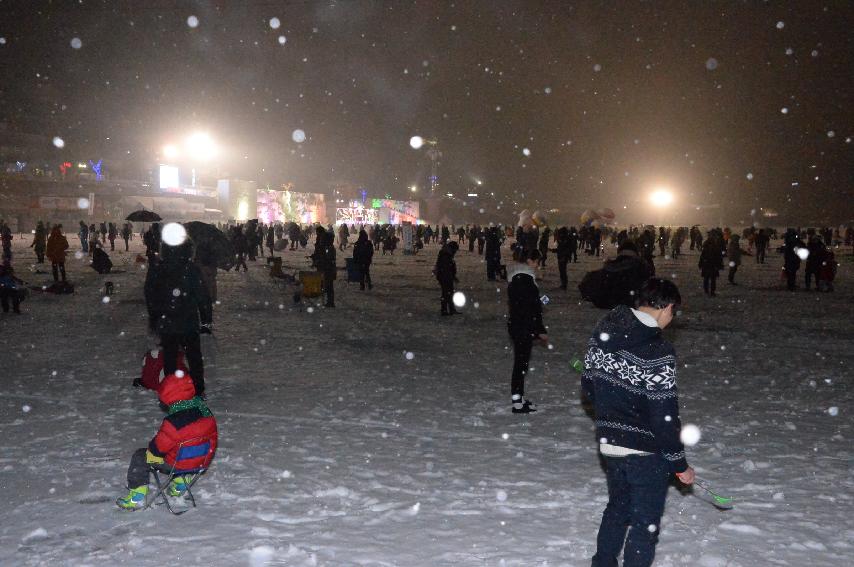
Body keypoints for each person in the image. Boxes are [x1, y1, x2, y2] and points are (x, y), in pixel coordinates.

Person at [582, 278, 693, 567]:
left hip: (611, 445)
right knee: (644, 527)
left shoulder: (603, 331)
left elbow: (588, 384)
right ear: (667, 307)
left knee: (617, 510)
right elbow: (664, 415)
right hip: (646, 453)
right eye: (673, 312)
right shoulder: (658, 351)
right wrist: (679, 463)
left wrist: (613, 415)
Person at [116, 371, 217, 510]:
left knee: (140, 456)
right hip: (201, 461)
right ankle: (181, 481)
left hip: (177, 463)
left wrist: (152, 449)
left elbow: (157, 449)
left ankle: (136, 497)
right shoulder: (204, 411)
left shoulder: (174, 422)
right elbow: (213, 437)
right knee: (184, 450)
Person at [144, 240, 212, 397]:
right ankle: (198, 390)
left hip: (167, 321)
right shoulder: (191, 269)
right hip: (188, 321)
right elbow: (202, 295)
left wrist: (154, 316)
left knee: (170, 358)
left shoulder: (158, 268)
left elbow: (150, 294)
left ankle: (172, 391)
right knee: (194, 357)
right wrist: (206, 319)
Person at [507, 246, 547, 414]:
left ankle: (519, 398)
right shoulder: (526, 280)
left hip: (517, 325)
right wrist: (540, 329)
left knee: (521, 363)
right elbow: (532, 308)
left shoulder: (518, 278)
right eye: (537, 262)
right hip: (523, 327)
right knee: (521, 364)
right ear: (530, 261)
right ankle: (517, 402)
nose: (538, 265)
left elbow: (527, 304)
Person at [435, 240, 459, 316]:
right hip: (445, 277)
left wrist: (453, 276)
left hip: (446, 276)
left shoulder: (447, 254)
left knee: (449, 293)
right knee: (446, 294)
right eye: (455, 250)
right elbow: (446, 269)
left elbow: (450, 268)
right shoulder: (446, 255)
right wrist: (450, 277)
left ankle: (451, 309)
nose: (455, 252)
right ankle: (444, 310)